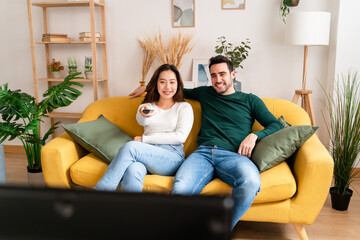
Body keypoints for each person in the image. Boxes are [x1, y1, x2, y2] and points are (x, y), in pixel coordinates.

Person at [129, 55, 283, 230]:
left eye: (222, 74)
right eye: (213, 75)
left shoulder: (250, 100)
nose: (218, 80)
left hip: (233, 156)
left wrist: (254, 136)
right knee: (180, 191)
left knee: (251, 183)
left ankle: (219, 231)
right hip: (202, 155)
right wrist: (146, 88)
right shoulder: (205, 93)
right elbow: (173, 87)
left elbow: (277, 124)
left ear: (233, 74)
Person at [94, 64, 194, 192]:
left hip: (171, 158)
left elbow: (180, 137)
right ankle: (132, 211)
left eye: (172, 82)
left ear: (178, 85)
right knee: (132, 169)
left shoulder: (184, 107)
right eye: (162, 82)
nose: (168, 87)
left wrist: (145, 139)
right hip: (146, 155)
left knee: (131, 146)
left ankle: (101, 192)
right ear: (156, 84)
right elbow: (141, 121)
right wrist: (142, 112)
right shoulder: (148, 105)